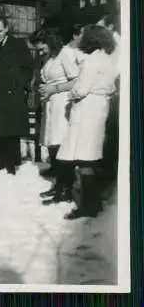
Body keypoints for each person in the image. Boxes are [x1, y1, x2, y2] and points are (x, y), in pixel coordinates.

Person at [56, 25, 117, 220]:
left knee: (84, 158)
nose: (80, 38)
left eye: (84, 36)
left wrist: (70, 96)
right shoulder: (107, 59)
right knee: (90, 156)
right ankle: (94, 203)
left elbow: (81, 88)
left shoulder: (91, 61)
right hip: (100, 107)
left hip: (87, 109)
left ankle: (88, 206)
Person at [33, 29, 82, 202]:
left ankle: (65, 189)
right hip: (50, 106)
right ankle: (59, 186)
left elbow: (77, 80)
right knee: (53, 147)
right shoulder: (50, 58)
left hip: (62, 104)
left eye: (42, 48)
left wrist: (54, 89)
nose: (40, 52)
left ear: (50, 41)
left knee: (61, 147)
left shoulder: (64, 55)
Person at [0, 11, 34, 175]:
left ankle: (11, 162)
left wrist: (21, 84)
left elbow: (28, 67)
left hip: (14, 91)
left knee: (12, 129)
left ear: (6, 28)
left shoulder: (18, 44)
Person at [97, 13, 121, 185]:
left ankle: (108, 177)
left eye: (101, 28)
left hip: (114, 94)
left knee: (111, 137)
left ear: (111, 27)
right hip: (109, 92)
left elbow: (116, 72)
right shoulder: (108, 45)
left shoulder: (117, 45)